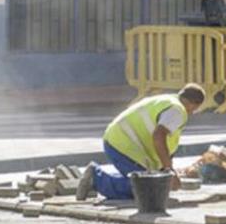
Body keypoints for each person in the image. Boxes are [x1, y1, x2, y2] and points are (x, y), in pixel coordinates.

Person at [77, 84, 206, 200]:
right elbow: (159, 136)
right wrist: (169, 170)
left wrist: (164, 171)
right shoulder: (177, 111)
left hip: (119, 141)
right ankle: (96, 179)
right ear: (193, 104)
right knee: (146, 190)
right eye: (194, 109)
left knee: (153, 183)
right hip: (122, 146)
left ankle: (98, 177)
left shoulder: (169, 101)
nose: (192, 113)